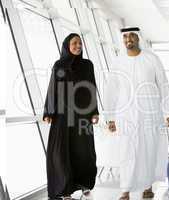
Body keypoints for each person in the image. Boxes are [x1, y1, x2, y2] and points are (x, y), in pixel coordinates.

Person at [104, 27, 169, 200]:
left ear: (138, 38)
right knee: (127, 150)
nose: (128, 39)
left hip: (150, 112)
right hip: (125, 114)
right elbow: (111, 90)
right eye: (125, 36)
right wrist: (110, 117)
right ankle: (125, 190)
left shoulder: (152, 59)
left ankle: (147, 186)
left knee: (149, 148)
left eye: (132, 36)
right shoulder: (118, 62)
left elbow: (163, 85)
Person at [43, 33, 99, 200]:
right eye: (74, 43)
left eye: (80, 43)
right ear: (67, 45)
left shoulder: (88, 65)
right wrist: (48, 112)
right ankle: (65, 190)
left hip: (83, 115)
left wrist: (94, 111)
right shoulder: (59, 65)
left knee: (84, 152)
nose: (78, 46)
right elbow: (53, 88)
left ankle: (84, 184)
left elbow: (92, 88)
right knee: (61, 153)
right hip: (62, 115)